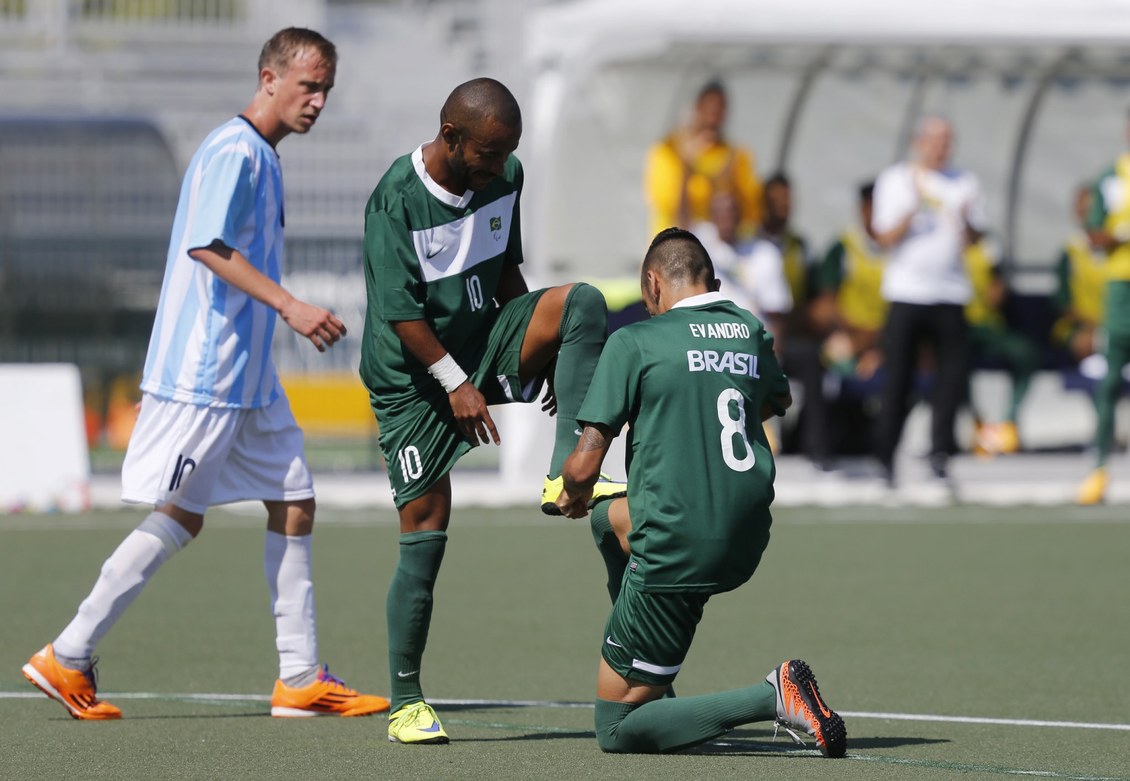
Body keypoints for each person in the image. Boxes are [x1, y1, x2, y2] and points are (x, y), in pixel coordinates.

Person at [21, 28, 388, 720]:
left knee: (295, 499)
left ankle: (299, 677)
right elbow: (205, 246)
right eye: (308, 86)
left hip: (248, 380)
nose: (318, 101)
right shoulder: (235, 149)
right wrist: (291, 306)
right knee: (180, 515)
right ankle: (66, 654)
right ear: (268, 77)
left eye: (327, 90)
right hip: (206, 372)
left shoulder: (265, 156)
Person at [360, 78, 625, 745]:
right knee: (426, 526)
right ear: (451, 137)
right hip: (414, 382)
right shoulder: (396, 199)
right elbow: (400, 314)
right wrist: (454, 381)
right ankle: (405, 700)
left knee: (585, 304)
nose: (500, 163)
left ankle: (569, 470)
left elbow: (506, 268)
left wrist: (547, 341)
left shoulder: (505, 173)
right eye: (489, 150)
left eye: (509, 150)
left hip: (481, 342)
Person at [554, 228, 847, 757]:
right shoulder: (750, 329)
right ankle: (653, 669)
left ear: (652, 283)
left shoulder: (636, 341)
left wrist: (570, 492)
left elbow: (584, 465)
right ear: (711, 280)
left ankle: (773, 695)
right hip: (746, 533)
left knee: (617, 728)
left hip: (677, 543)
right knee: (608, 518)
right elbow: (769, 401)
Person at [871, 115, 988, 486]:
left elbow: (975, 239)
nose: (942, 148)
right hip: (906, 293)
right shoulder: (895, 180)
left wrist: (966, 222)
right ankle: (885, 455)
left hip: (950, 293)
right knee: (899, 379)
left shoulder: (965, 182)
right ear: (920, 143)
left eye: (947, 141)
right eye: (936, 140)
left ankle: (940, 454)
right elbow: (883, 236)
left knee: (950, 380)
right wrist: (914, 210)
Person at [759, 172, 831, 466]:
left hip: (791, 334)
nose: (783, 207)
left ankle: (816, 448)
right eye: (776, 200)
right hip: (758, 336)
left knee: (814, 361)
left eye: (788, 200)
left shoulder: (800, 247)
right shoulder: (752, 244)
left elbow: (816, 297)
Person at [1076, 114, 1130, 505]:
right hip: (1122, 288)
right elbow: (1094, 233)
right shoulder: (1110, 179)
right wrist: (1119, 234)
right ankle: (1099, 466)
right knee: (1111, 378)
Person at [644, 80, 763, 237]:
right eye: (710, 108)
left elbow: (751, 210)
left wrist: (728, 184)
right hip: (671, 246)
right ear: (697, 108)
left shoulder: (736, 156)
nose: (715, 115)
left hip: (715, 252)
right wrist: (686, 167)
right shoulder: (667, 150)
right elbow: (666, 203)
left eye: (720, 108)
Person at [962, 236, 1042, 456]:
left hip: (989, 327)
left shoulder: (987, 248)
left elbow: (998, 287)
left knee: (1025, 353)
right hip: (957, 328)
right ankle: (977, 424)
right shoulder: (943, 244)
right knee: (953, 364)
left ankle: (1008, 423)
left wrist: (997, 289)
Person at [693, 191, 792, 340]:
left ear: (740, 214)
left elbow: (776, 315)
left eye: (731, 211)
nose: (726, 218)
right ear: (711, 216)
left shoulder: (765, 253)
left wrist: (773, 357)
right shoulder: (699, 248)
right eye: (720, 212)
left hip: (753, 342)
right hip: (710, 342)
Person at [1051, 185, 1109, 367]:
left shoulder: (1119, 248)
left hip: (1116, 324)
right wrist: (1089, 325)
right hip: (1082, 325)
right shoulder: (1071, 249)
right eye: (1083, 209)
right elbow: (1062, 300)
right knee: (1085, 343)